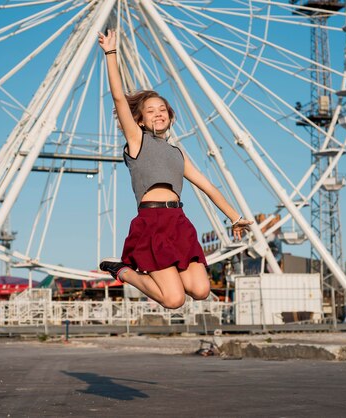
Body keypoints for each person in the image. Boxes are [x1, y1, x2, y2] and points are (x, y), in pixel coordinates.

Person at [97, 29, 252, 309]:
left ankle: (144, 274)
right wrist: (111, 53)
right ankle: (124, 271)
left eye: (163, 110)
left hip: (178, 223)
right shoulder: (136, 141)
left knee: (202, 290)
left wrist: (234, 217)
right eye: (151, 110)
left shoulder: (178, 153)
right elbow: (119, 98)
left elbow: (208, 186)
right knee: (174, 299)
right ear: (140, 120)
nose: (158, 113)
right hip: (151, 223)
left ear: (170, 117)